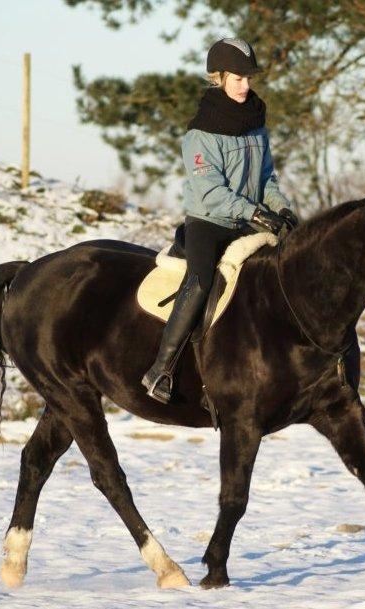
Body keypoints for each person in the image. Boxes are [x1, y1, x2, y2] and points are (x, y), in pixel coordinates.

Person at [141, 37, 299, 404]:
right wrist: (256, 213)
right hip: (209, 221)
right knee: (201, 280)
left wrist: (283, 209)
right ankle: (161, 368)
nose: (246, 85)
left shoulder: (257, 122)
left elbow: (267, 180)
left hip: (249, 218)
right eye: (238, 78)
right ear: (219, 77)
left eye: (249, 78)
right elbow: (211, 192)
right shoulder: (200, 134)